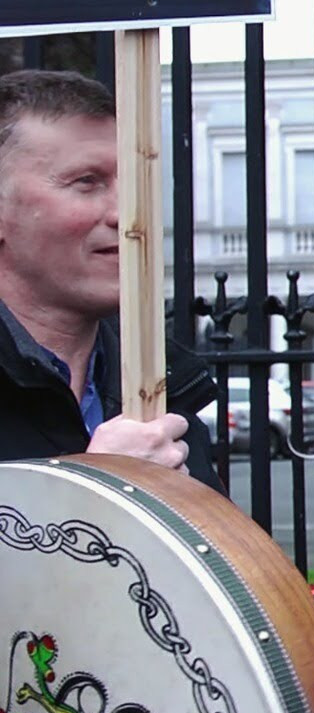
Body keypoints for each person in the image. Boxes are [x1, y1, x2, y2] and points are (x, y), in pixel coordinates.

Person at [0, 69, 220, 491]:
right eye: (87, 182)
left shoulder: (163, 384)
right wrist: (96, 490)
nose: (129, 214)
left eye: (135, 183)